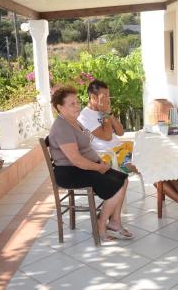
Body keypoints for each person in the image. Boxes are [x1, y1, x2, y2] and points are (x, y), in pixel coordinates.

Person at [48, 86, 133, 241]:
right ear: (60, 107)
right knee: (116, 186)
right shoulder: (61, 127)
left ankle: (114, 222)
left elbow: (88, 146)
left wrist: (99, 161)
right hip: (71, 172)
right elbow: (76, 160)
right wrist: (99, 167)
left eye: (77, 102)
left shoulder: (75, 122)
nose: (77, 106)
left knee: (123, 179)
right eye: (72, 104)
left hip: (85, 167)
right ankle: (100, 227)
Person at [78, 80, 137, 173]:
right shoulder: (85, 116)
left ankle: (166, 187)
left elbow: (121, 132)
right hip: (108, 155)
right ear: (93, 97)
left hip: (120, 149)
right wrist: (105, 113)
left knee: (152, 160)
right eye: (104, 96)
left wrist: (109, 113)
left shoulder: (104, 110)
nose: (108, 99)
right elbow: (107, 137)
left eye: (108, 95)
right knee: (144, 167)